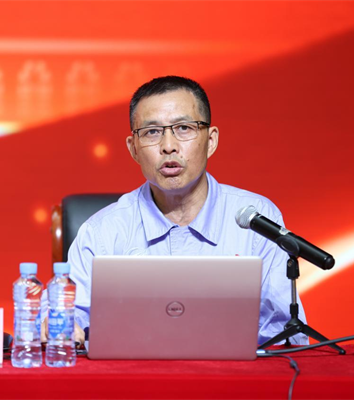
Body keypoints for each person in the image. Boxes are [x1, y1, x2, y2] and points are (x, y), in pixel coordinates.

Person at [68, 76, 307, 346]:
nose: (168, 146)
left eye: (183, 128)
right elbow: (66, 316)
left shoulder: (258, 219)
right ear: (133, 149)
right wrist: (62, 326)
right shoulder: (102, 231)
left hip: (234, 372)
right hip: (133, 372)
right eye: (152, 132)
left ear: (211, 140)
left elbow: (286, 333)